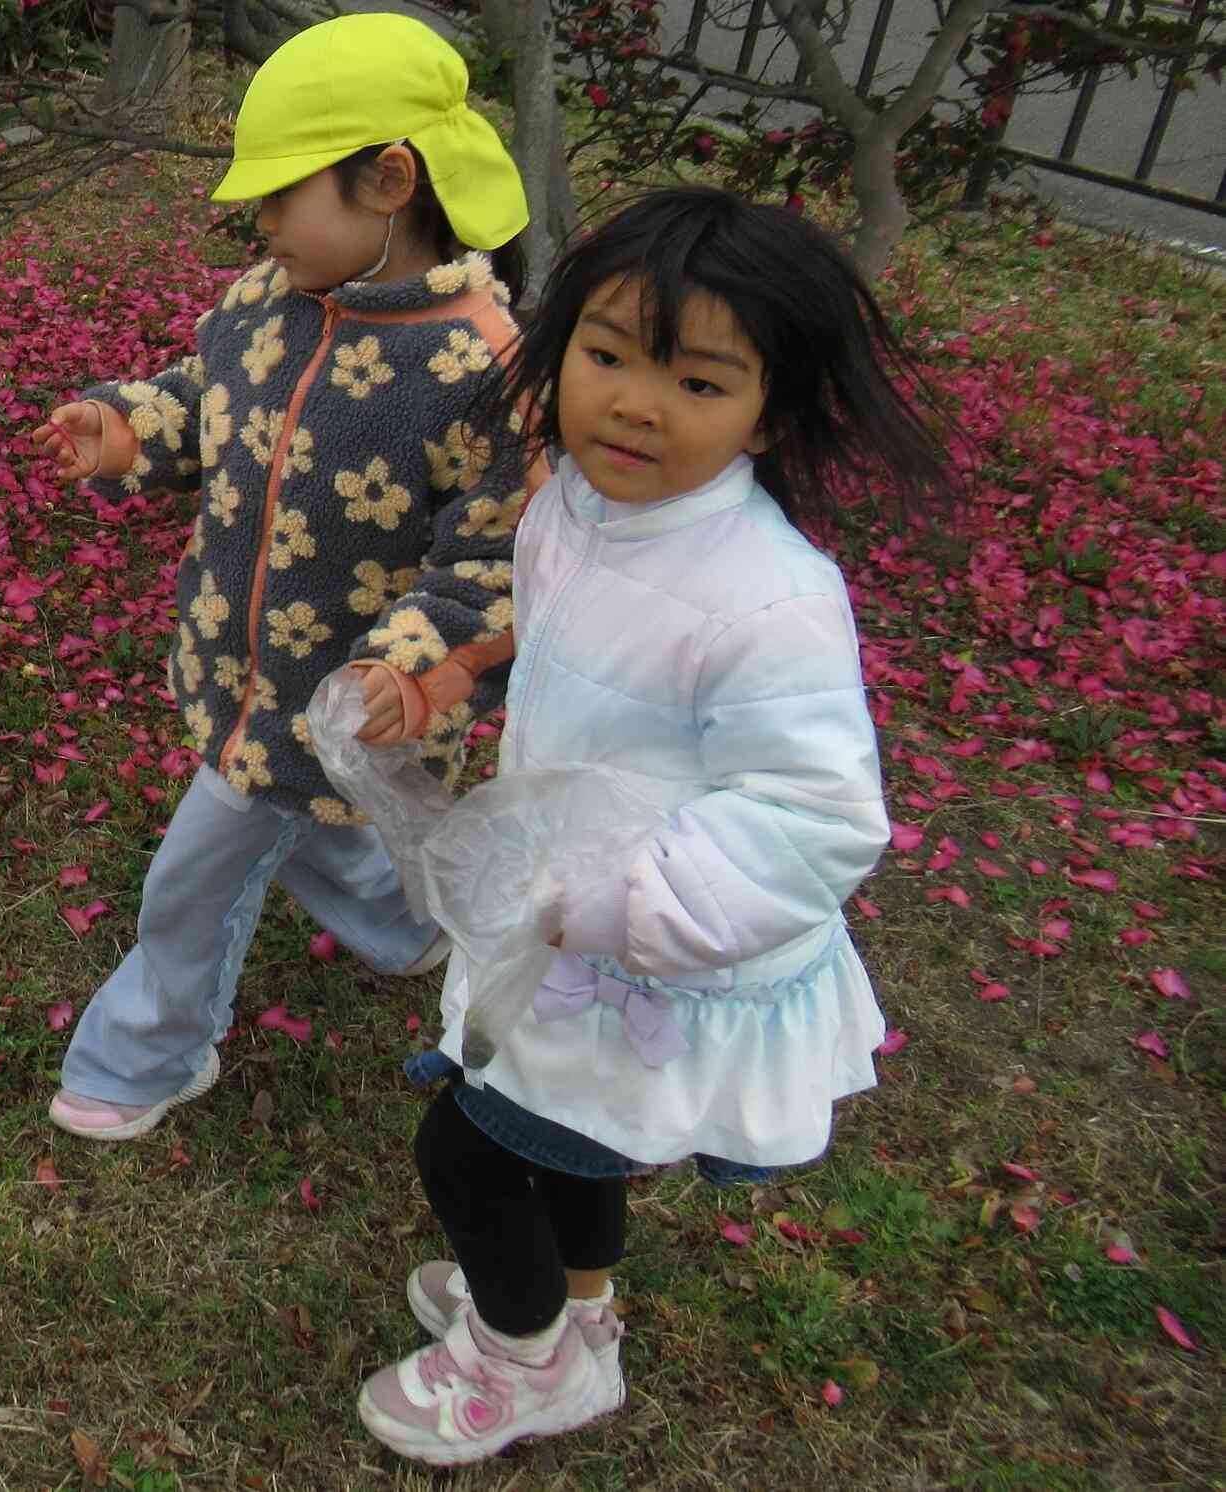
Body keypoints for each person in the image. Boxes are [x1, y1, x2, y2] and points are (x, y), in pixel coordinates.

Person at [356, 186, 952, 1465]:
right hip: (567, 909)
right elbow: (562, 621)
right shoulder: (578, 496)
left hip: (648, 939)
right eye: (609, 356)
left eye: (695, 381)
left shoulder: (765, 598)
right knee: (573, 1148)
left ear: (769, 410)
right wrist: (458, 678)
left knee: (469, 1152)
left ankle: (519, 1367)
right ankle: (577, 1312)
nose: (634, 402)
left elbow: (816, 816)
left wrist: (622, 905)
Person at [28, 12, 543, 1141]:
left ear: (388, 179)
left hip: (338, 698)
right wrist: (125, 430)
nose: (255, 224)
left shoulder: (478, 370)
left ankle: (144, 1056)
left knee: (198, 878)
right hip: (235, 658)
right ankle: (409, 928)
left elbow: (489, 565)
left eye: (276, 197)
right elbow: (205, 400)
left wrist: (407, 676)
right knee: (330, 828)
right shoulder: (264, 304)